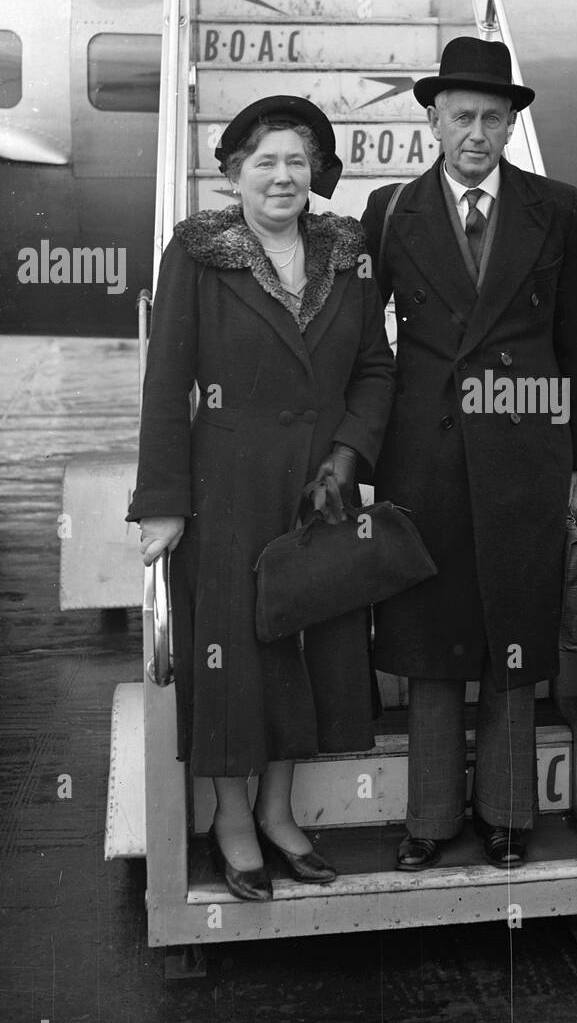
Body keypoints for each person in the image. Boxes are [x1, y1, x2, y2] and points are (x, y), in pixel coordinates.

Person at [127, 95, 394, 902]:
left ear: (315, 172)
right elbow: (167, 379)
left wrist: (347, 459)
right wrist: (165, 501)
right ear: (235, 173)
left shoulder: (348, 254)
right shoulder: (197, 255)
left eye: (296, 161)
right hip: (227, 490)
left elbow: (375, 371)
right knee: (234, 658)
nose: (283, 176)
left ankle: (279, 814)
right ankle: (231, 818)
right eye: (265, 161)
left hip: (319, 491)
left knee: (301, 655)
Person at [361, 37, 577, 871]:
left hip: (523, 454)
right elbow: (365, 343)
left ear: (510, 125)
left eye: (492, 117)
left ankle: (506, 816)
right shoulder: (391, 210)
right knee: (430, 639)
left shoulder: (556, 206)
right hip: (422, 454)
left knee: (513, 631)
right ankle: (428, 821)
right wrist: (357, 455)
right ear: (432, 119)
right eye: (461, 115)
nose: (476, 132)